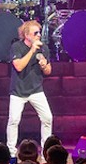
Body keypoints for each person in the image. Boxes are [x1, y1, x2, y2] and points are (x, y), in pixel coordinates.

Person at [7, 20, 53, 149]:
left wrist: (44, 66)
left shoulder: (44, 48)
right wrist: (32, 50)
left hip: (36, 90)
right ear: (27, 35)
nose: (39, 35)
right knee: (14, 121)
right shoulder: (17, 47)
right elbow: (19, 66)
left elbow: (49, 71)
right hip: (18, 91)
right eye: (35, 33)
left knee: (47, 118)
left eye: (39, 32)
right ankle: (11, 151)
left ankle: (46, 150)